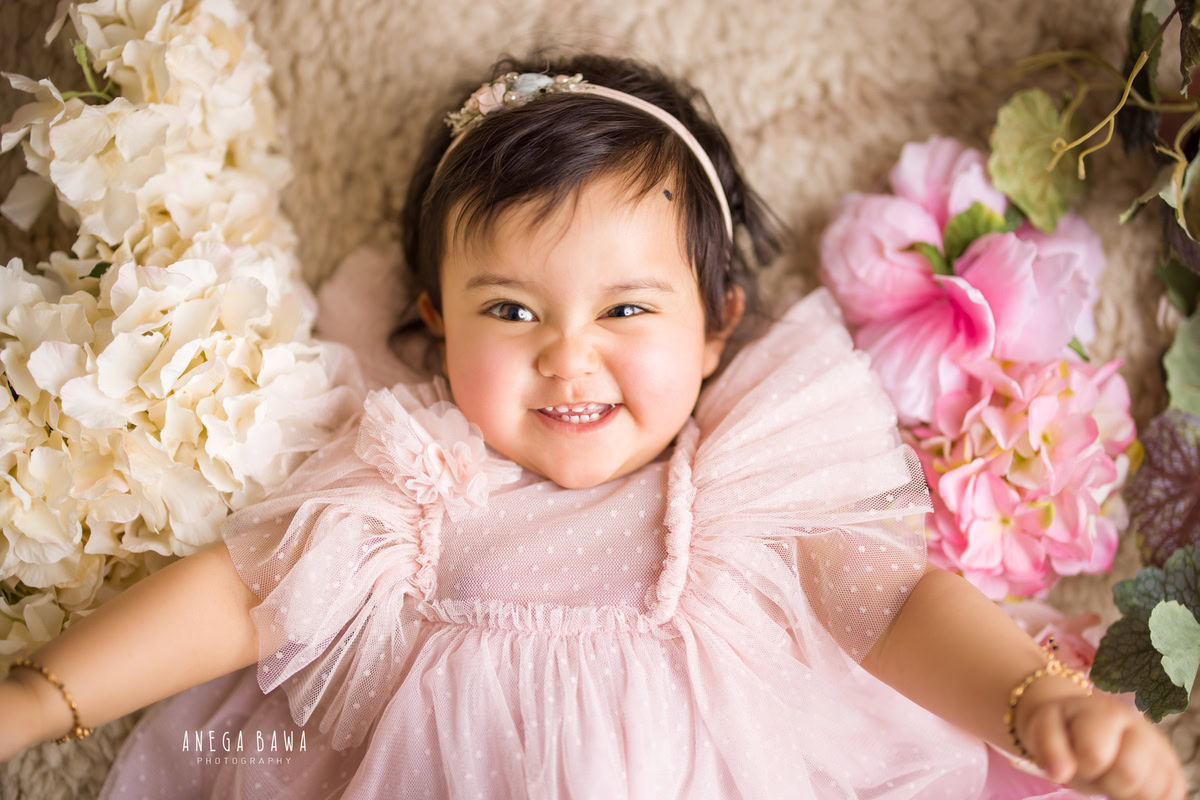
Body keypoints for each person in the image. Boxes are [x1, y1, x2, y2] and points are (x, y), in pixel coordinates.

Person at [0, 50, 1187, 800]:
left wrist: (1035, 698)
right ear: (435, 319)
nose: (570, 353)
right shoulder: (415, 482)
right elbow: (238, 592)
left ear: (718, 326)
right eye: (510, 309)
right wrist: (39, 701)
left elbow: (891, 599)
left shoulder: (744, 487)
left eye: (627, 307)